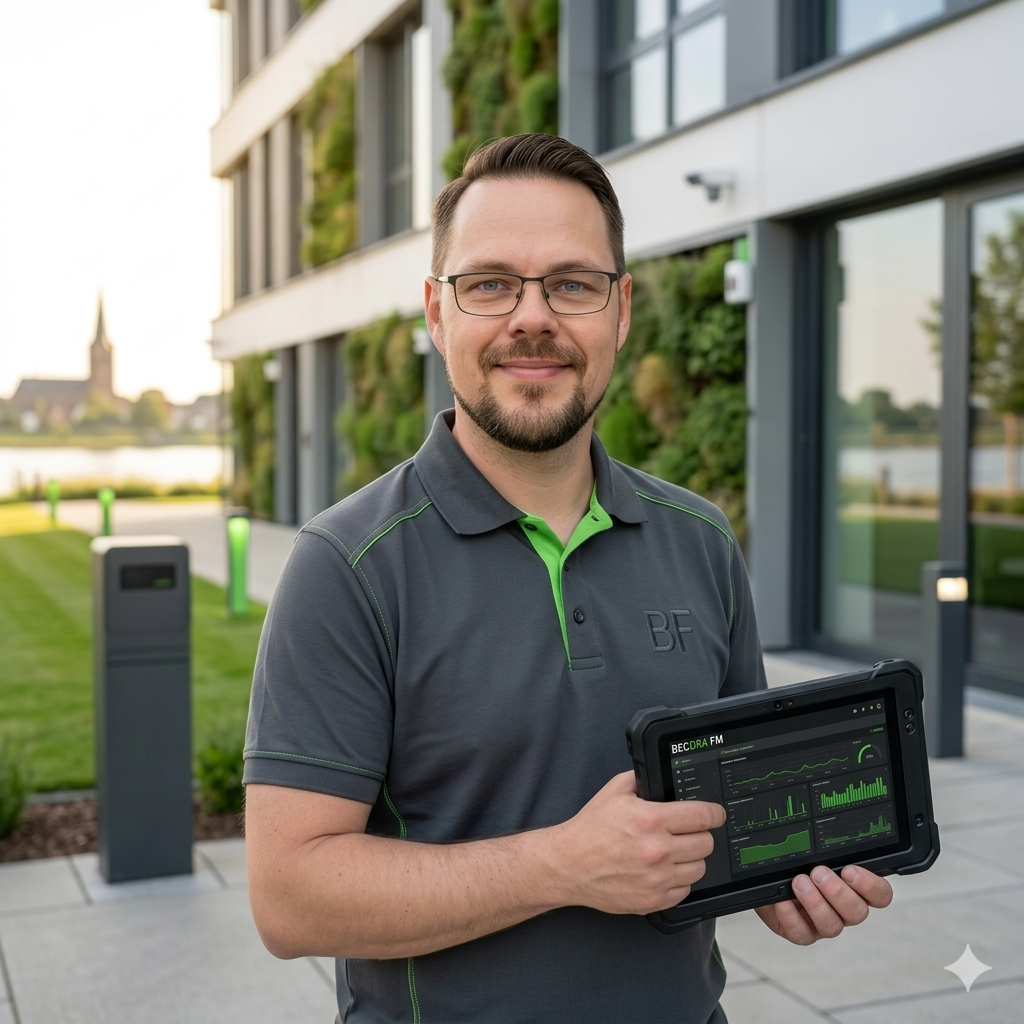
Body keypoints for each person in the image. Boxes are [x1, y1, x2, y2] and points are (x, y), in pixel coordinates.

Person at [243, 133, 893, 1024]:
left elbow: (726, 813)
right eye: (490, 283)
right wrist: (561, 865)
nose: (533, 317)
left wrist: (778, 874)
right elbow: (290, 897)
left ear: (620, 313)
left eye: (573, 284)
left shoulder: (701, 540)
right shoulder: (347, 565)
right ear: (437, 314)